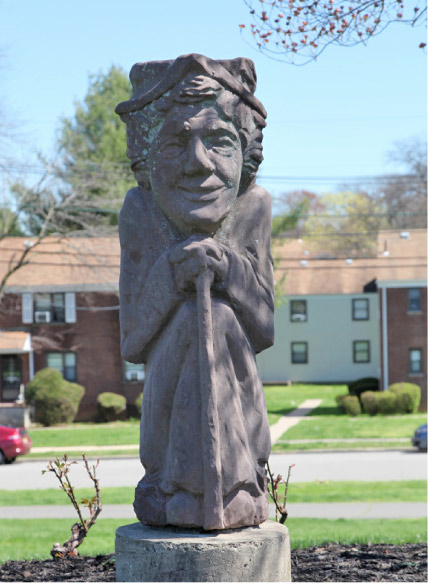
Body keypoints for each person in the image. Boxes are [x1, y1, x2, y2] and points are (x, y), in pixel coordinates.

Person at [115, 54, 275, 530]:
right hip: (167, 415)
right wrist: (170, 274)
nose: (199, 162)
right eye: (176, 143)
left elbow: (264, 328)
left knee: (224, 319)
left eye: (221, 142)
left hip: (240, 412)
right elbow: (132, 341)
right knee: (189, 319)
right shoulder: (140, 213)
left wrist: (229, 268)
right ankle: (175, 484)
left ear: (246, 157)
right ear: (145, 160)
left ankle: (240, 484)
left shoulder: (252, 208)